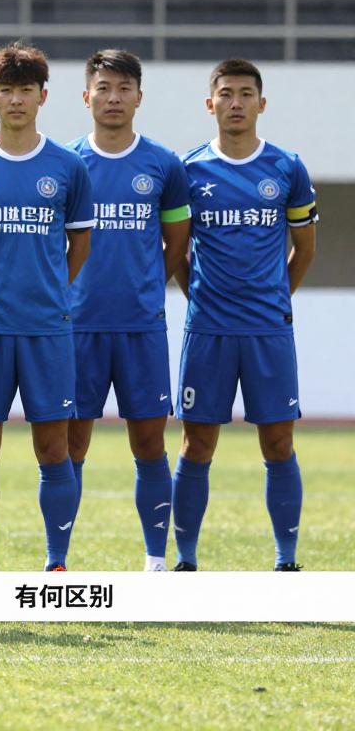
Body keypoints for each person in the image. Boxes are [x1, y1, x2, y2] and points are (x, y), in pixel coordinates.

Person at [0, 43, 94, 572]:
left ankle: (57, 561)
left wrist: (50, 289)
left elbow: (80, 244)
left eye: (25, 90)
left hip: (47, 330)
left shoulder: (68, 166)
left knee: (54, 450)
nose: (15, 99)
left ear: (42, 97)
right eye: (5, 90)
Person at [172, 58, 317, 572]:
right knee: (197, 444)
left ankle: (286, 561)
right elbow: (176, 253)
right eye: (226, 94)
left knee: (278, 442)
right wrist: (201, 298)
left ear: (262, 103)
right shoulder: (188, 171)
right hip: (208, 331)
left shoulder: (287, 167)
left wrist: (275, 299)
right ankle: (186, 561)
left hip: (267, 332)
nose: (236, 103)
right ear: (209, 103)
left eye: (245, 94)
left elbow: (304, 248)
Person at [66, 50, 191, 572]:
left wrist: (144, 288)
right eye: (103, 88)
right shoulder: (67, 163)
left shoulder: (164, 164)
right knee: (71, 444)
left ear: (139, 96)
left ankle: (154, 560)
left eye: (124, 88)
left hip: (142, 328)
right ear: (86, 96)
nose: (113, 98)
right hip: (77, 327)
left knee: (149, 443)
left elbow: (176, 244)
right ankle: (57, 560)